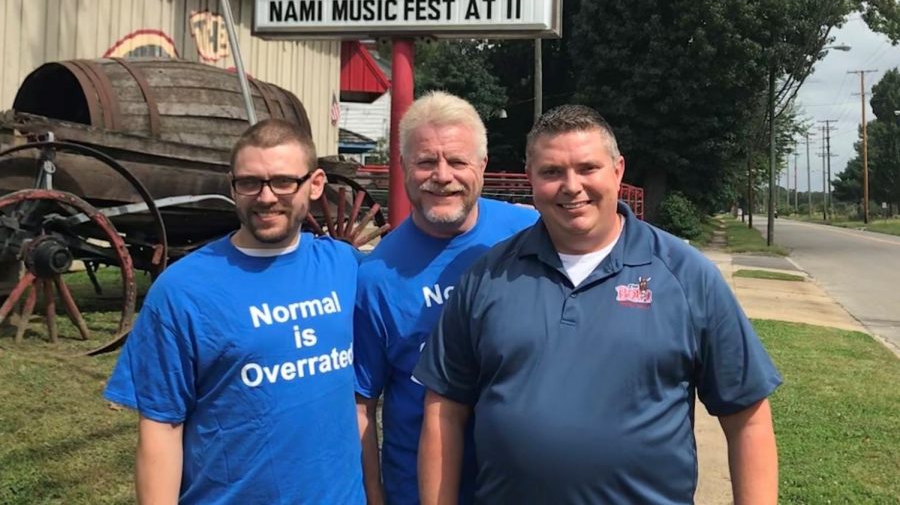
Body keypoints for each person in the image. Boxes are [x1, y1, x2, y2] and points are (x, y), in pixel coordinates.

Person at [414, 105, 781, 505]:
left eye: (588, 168)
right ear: (530, 179)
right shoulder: (488, 277)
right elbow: (444, 411)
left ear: (618, 171)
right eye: (552, 172)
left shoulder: (686, 275)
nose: (572, 186)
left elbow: (748, 419)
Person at [104, 118, 364, 504]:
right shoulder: (183, 289)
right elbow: (161, 427)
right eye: (250, 182)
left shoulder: (345, 266)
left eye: (282, 181)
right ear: (232, 186)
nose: (265, 196)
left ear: (315, 184)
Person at [354, 92, 538, 505]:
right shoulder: (376, 277)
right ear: (402, 168)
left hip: (520, 484)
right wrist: (375, 496)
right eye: (425, 161)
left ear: (482, 166)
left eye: (457, 161)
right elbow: (363, 403)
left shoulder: (529, 233)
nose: (442, 175)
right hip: (420, 490)